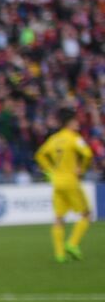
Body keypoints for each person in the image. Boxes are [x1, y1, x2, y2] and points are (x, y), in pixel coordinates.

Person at [35, 107, 93, 262]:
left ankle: (59, 255)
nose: (78, 124)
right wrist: (82, 168)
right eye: (75, 121)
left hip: (57, 182)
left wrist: (50, 172)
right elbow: (88, 154)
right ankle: (72, 243)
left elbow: (39, 154)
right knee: (86, 214)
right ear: (70, 122)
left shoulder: (54, 139)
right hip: (71, 181)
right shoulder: (74, 137)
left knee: (58, 218)